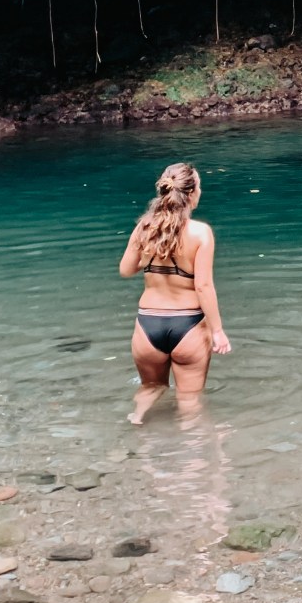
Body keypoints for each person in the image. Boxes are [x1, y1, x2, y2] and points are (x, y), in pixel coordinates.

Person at [120, 163, 231, 424]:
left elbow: (126, 270)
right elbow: (203, 286)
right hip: (188, 325)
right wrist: (217, 331)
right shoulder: (200, 233)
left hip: (148, 325)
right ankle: (191, 444)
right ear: (191, 193)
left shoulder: (145, 227)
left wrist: (152, 254)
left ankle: (138, 418)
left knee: (150, 386)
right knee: (189, 399)